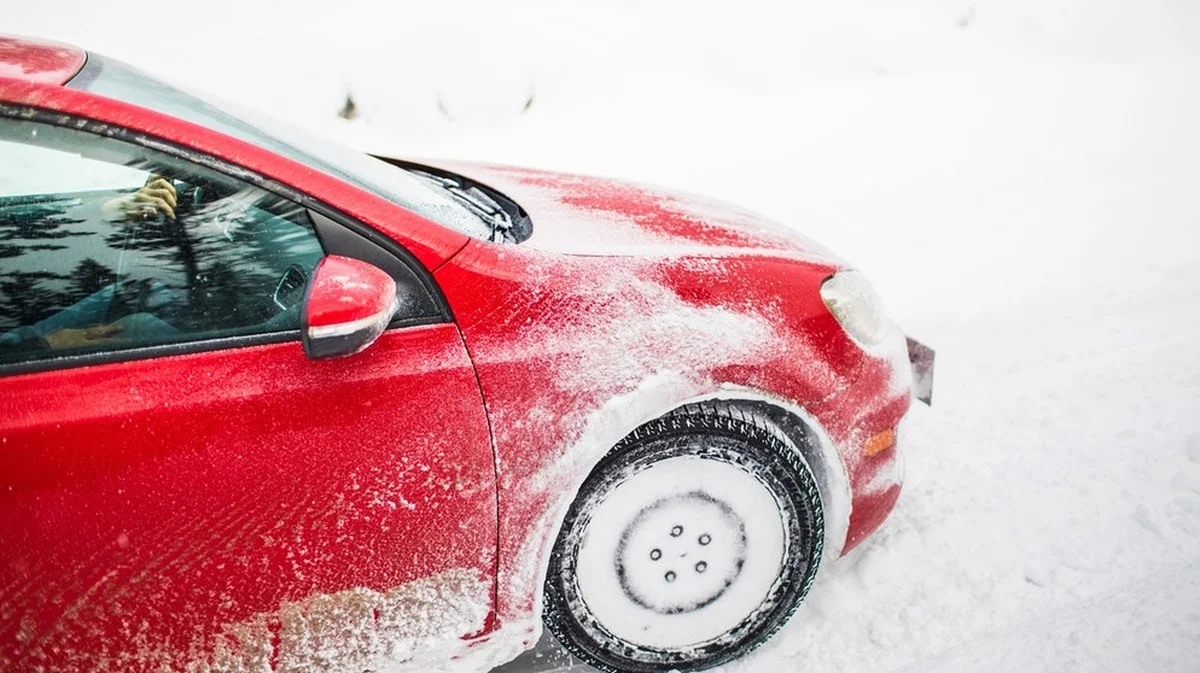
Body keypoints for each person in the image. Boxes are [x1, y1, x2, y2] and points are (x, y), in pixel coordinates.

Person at [0, 176, 181, 355]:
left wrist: (109, 209)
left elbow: (19, 221)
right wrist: (45, 346)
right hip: (17, 347)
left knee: (144, 290)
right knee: (147, 327)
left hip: (18, 338)